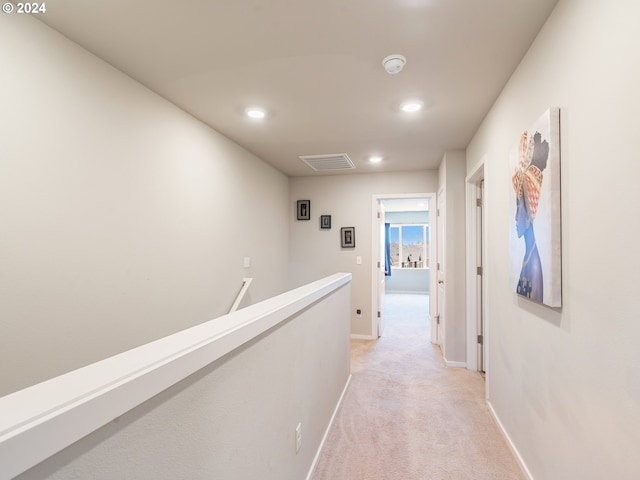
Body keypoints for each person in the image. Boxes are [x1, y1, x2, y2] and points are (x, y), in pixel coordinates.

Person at [512, 130, 549, 302]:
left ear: (528, 214)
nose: (514, 217)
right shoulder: (528, 256)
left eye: (518, 206)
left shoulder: (534, 266)